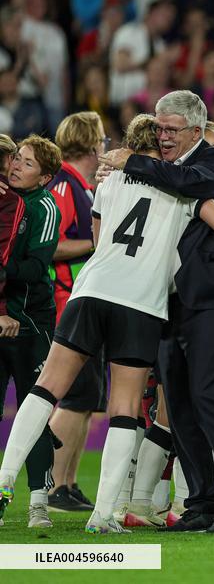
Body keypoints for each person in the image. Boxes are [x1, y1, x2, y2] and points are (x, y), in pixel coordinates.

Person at [0, 115, 214, 533]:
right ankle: (104, 515)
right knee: (125, 408)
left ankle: (4, 480)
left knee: (45, 389)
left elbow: (97, 237)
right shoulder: (183, 186)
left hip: (91, 290)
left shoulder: (107, 181)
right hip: (141, 303)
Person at [98, 90, 214, 534]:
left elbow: (187, 183)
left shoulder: (213, 160)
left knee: (210, 397)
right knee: (181, 406)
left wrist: (129, 161)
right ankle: (204, 502)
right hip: (167, 302)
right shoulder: (166, 167)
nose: (163, 136)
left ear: (195, 128)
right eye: (159, 128)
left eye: (171, 129)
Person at [45, 112, 105, 513]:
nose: (105, 144)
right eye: (101, 138)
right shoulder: (65, 186)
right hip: (67, 302)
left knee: (84, 398)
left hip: (84, 301)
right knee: (72, 398)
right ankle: (51, 486)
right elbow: (50, 246)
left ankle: (67, 483)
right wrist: (96, 246)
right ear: (90, 143)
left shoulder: (81, 187)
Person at [0, 134, 51, 528]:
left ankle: (39, 502)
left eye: (28, 163)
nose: (17, 165)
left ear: (44, 177)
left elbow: (37, 267)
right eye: (17, 158)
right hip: (2, 317)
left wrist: (4, 269)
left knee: (33, 413)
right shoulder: (4, 201)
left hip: (31, 323)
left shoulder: (43, 208)